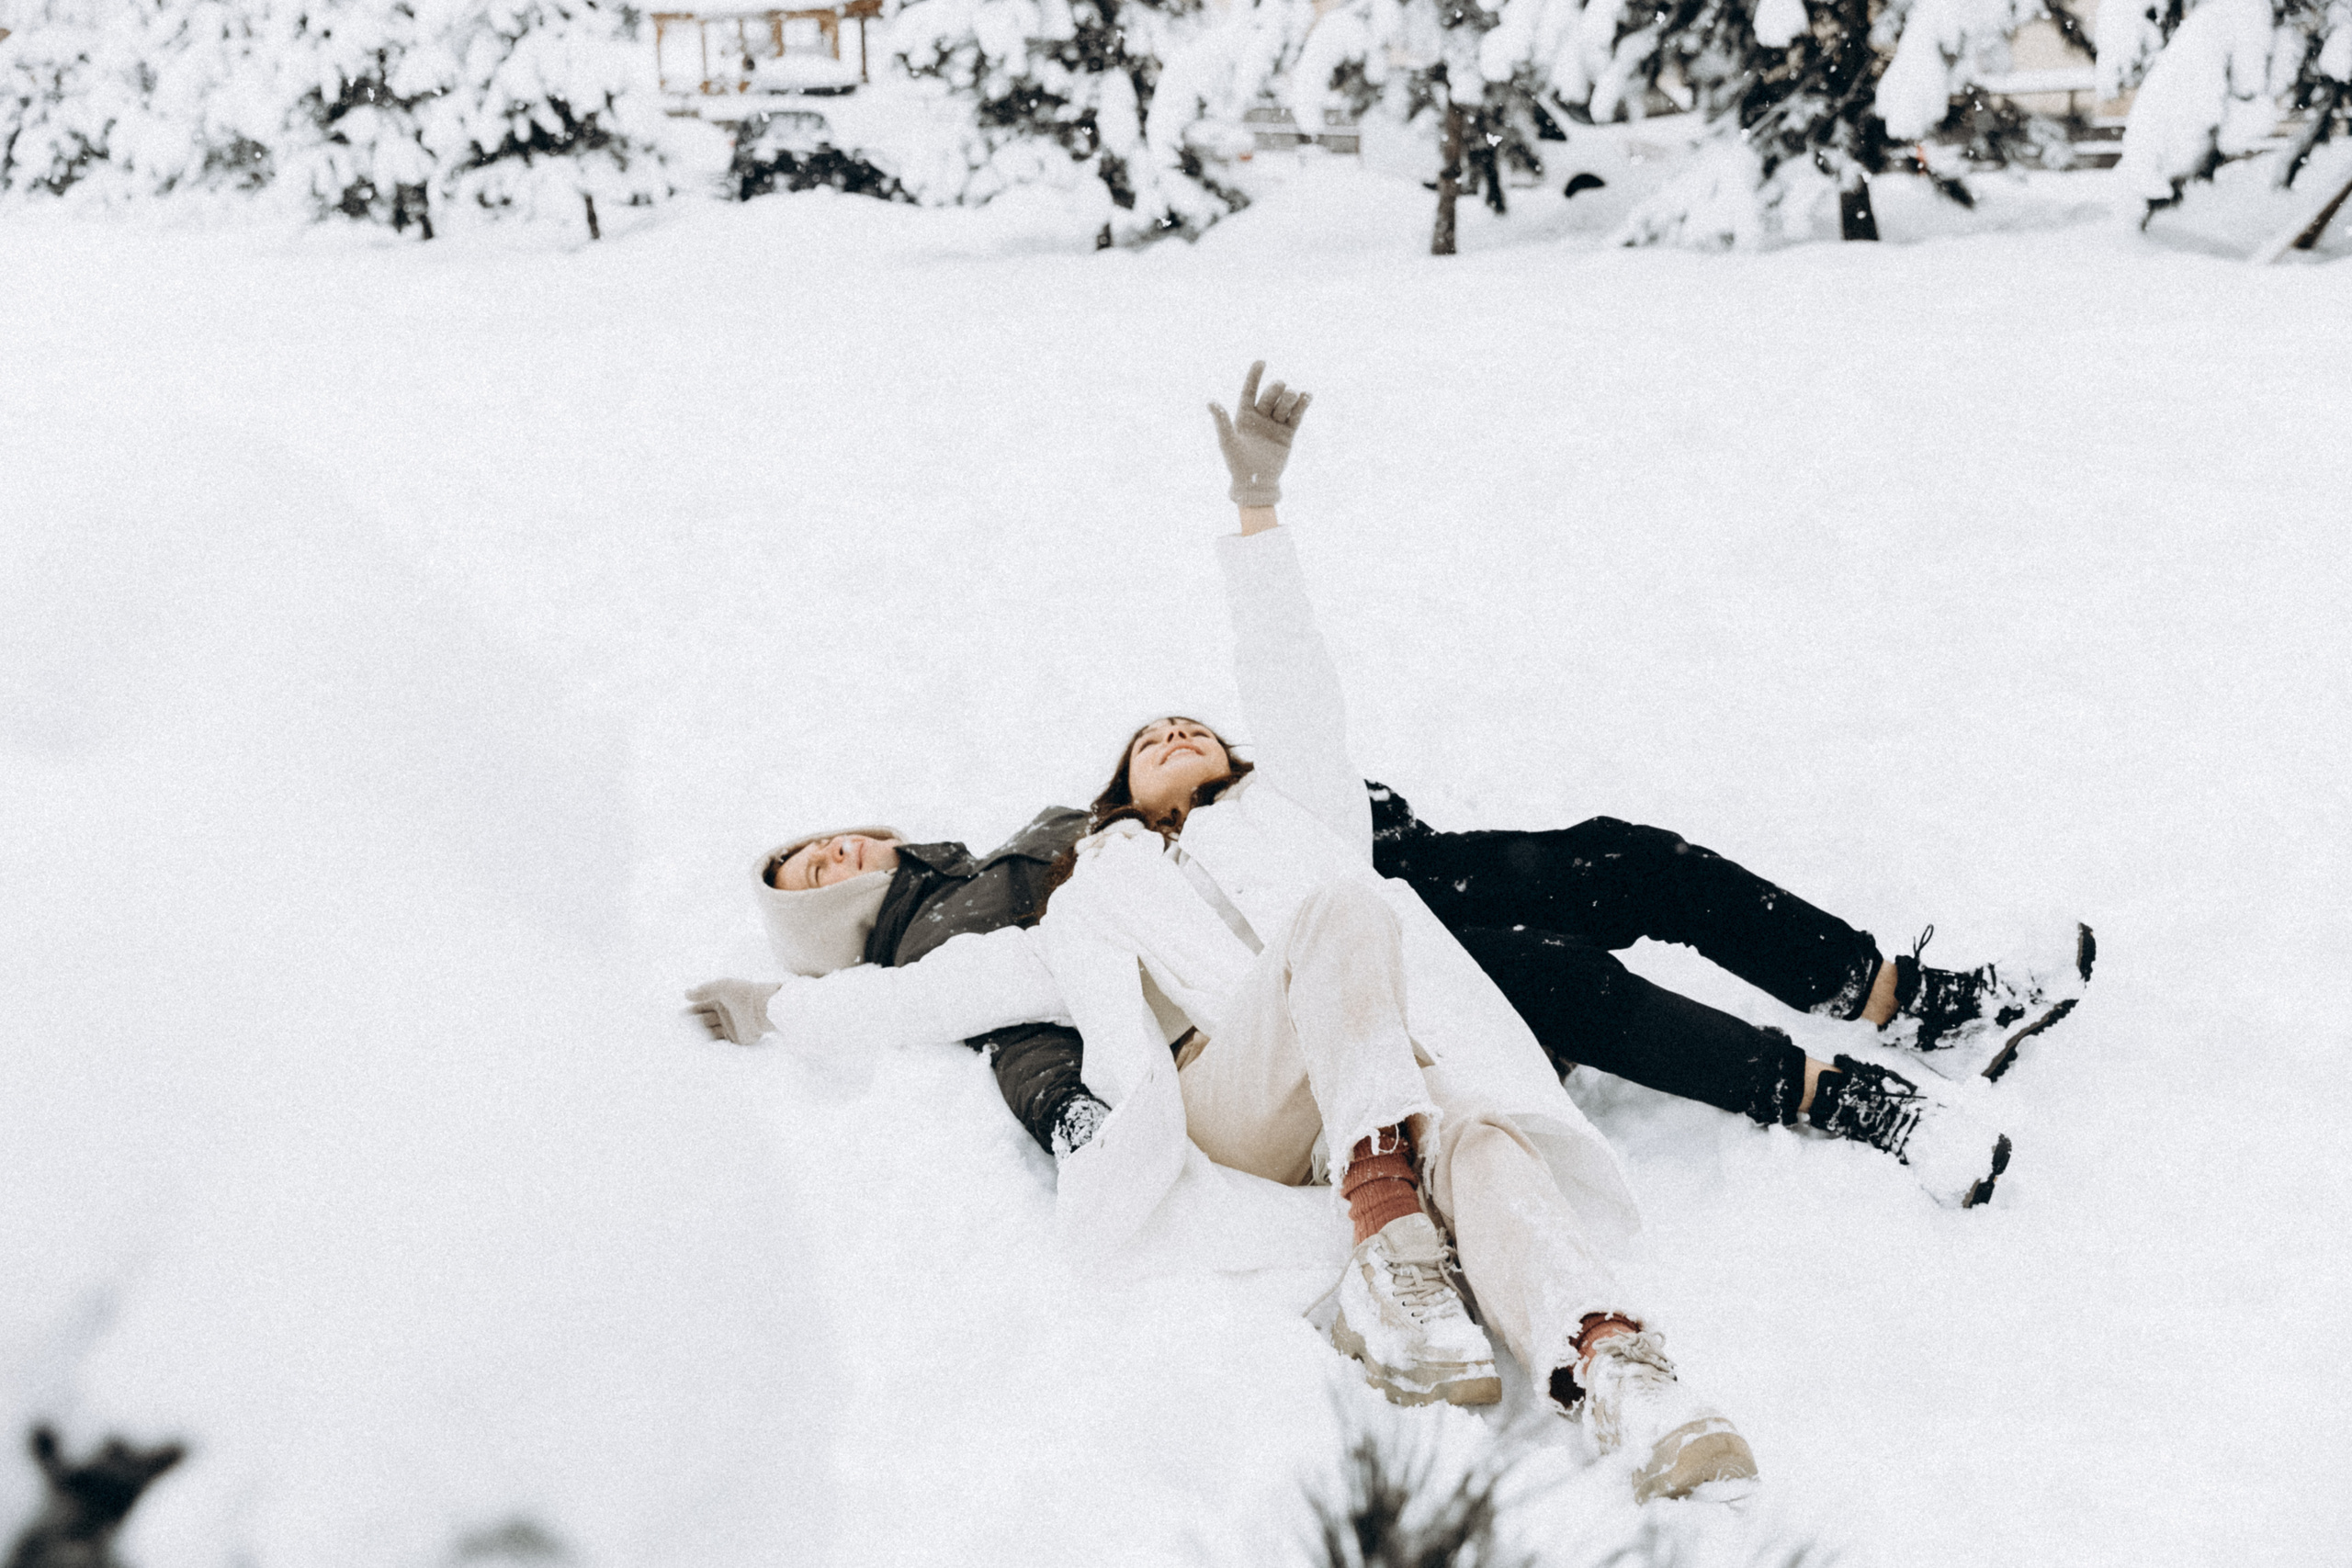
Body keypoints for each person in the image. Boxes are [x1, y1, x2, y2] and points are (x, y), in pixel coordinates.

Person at [696, 364, 1790, 1505]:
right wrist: (763, 1007)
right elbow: (923, 996)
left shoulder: (1300, 815)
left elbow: (1293, 681)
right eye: (1147, 736)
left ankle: (1616, 1364)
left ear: (1232, 762)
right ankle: (1387, 1241)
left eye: (1192, 724)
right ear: (1117, 795)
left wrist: (1256, 513)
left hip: (1381, 1085)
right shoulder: (1088, 895)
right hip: (1236, 1101)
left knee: (1478, 1138)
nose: (1173, 728)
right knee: (1342, 917)